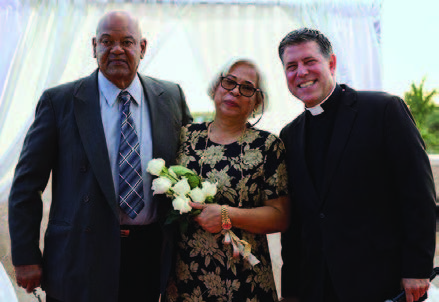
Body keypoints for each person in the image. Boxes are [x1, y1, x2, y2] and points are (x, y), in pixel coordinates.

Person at [8, 11, 192, 302]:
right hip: (80, 253)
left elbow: (189, 169)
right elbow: (26, 186)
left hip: (149, 255)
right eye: (107, 41)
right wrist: (25, 257)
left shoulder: (170, 97)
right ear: (94, 46)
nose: (116, 49)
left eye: (126, 42)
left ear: (142, 47)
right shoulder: (60, 101)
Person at [279, 28, 436, 302]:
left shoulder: (383, 109)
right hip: (316, 287)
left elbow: (418, 194)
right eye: (291, 66)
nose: (301, 72)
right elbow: (296, 224)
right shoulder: (289, 134)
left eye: (309, 61)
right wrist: (292, 290)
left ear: (332, 63)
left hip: (381, 281)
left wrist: (417, 268)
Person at [164, 58, 289, 302]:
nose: (234, 91)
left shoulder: (268, 146)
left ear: (257, 102)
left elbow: (280, 216)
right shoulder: (184, 137)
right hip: (185, 278)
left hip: (245, 280)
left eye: (247, 87)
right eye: (229, 82)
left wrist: (225, 214)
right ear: (215, 88)